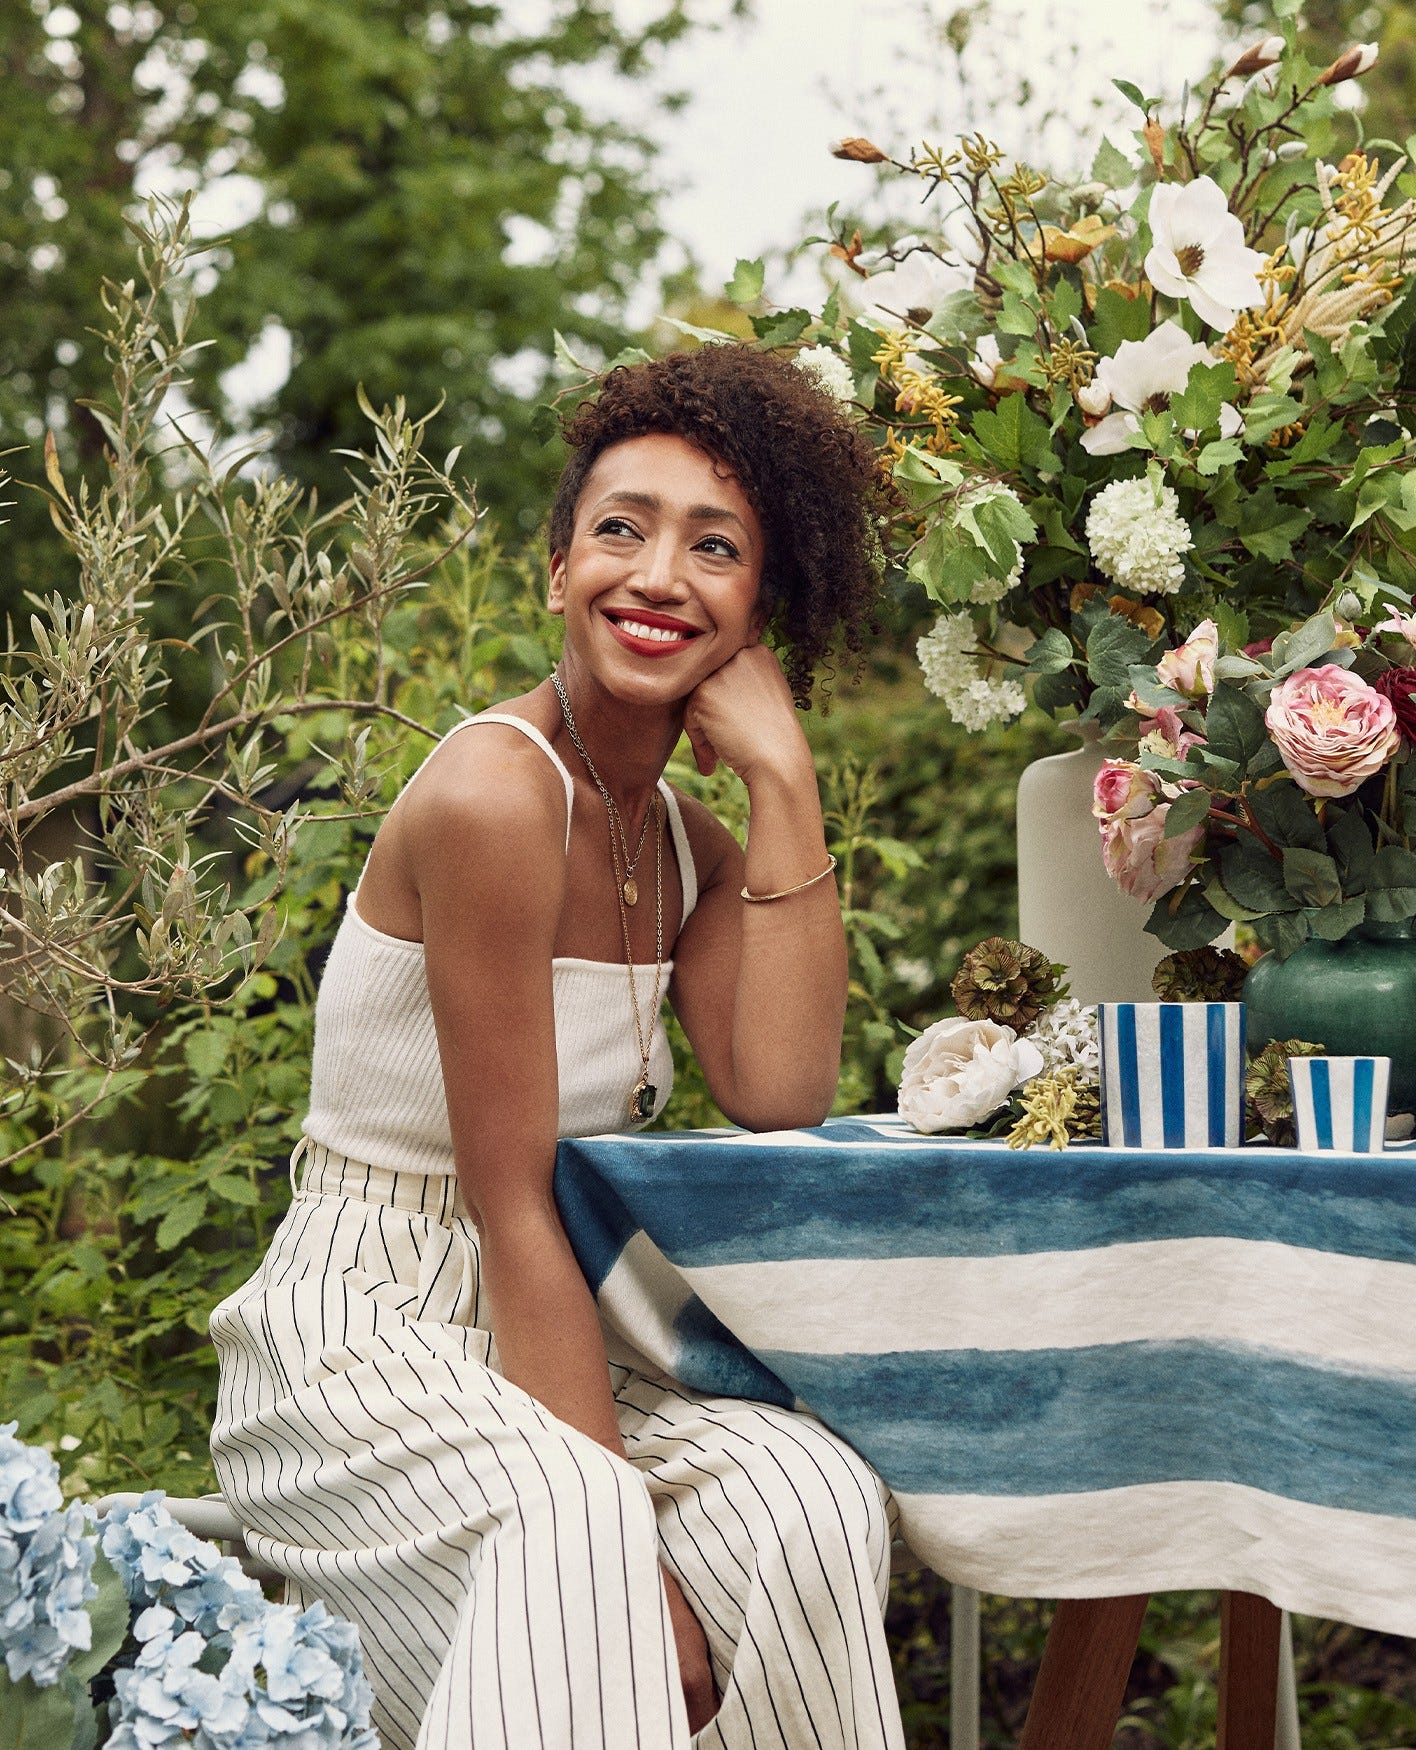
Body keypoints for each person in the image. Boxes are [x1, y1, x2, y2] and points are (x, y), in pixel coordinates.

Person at [209, 343, 906, 1750]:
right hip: (368, 1327)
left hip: (555, 1324)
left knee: (812, 1502)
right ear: (556, 567)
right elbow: (506, 1192)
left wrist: (784, 776)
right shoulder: (492, 795)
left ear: (760, 608)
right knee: (574, 1528)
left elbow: (781, 1091)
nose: (657, 577)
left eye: (715, 547)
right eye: (619, 529)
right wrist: (641, 1572)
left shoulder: (684, 842)